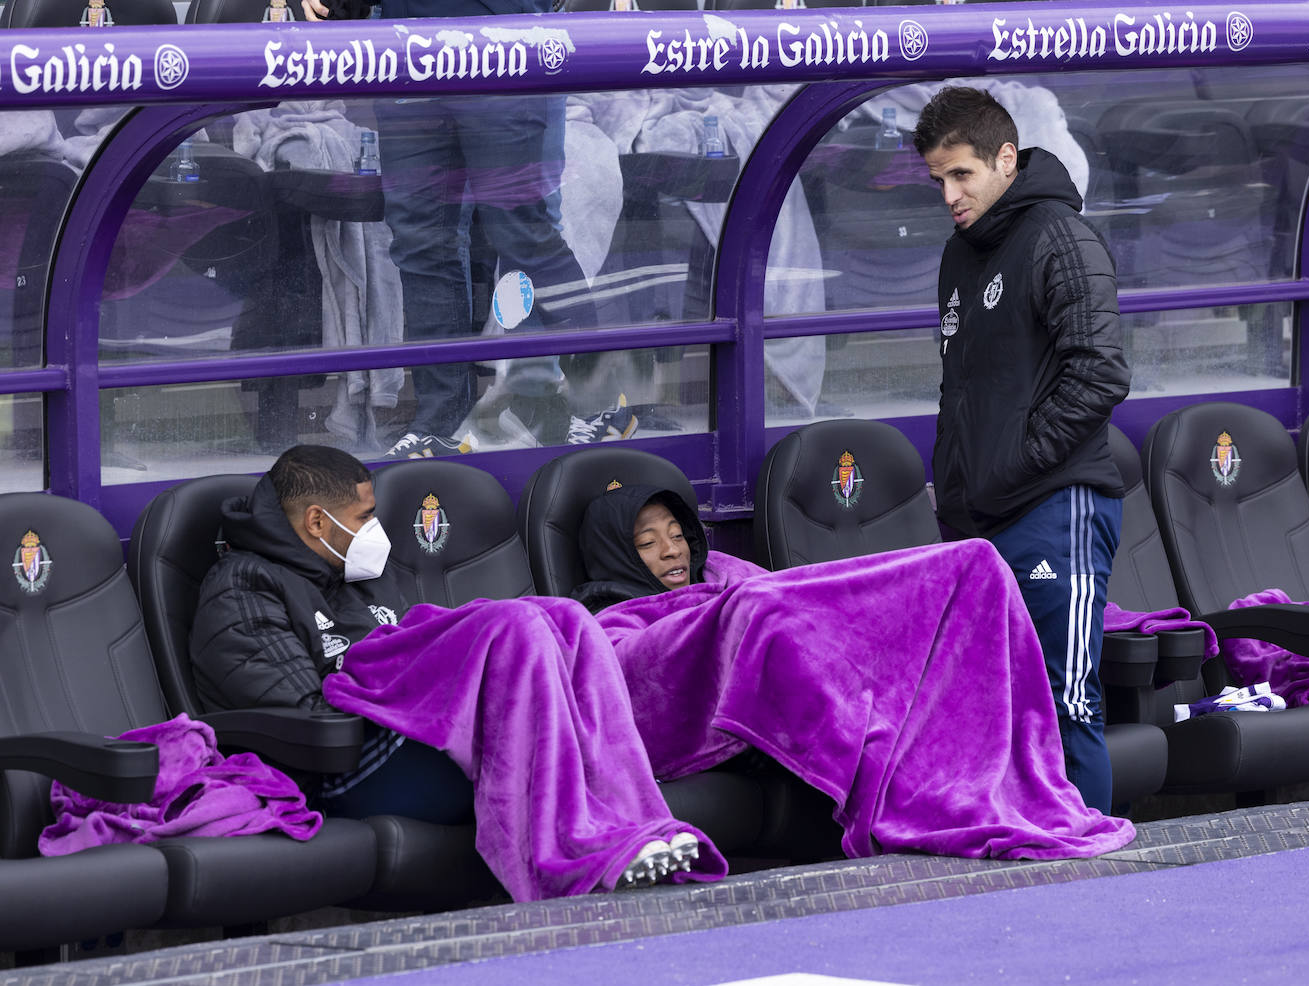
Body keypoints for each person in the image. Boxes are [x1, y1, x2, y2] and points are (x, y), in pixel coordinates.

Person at [189, 445, 720, 901]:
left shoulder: (359, 575)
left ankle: (632, 827)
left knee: (562, 618)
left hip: (403, 744)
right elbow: (302, 719)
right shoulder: (242, 586)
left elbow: (407, 653)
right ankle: (568, 857)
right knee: (513, 626)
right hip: (340, 769)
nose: (375, 531)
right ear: (316, 524)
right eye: (362, 517)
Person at [566, 483, 1136, 862]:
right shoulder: (607, 622)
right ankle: (897, 777)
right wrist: (737, 614)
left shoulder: (726, 575)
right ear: (618, 556)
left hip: (830, 678)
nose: (671, 552)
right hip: (766, 712)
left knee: (974, 563)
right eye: (647, 543)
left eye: (677, 535)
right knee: (762, 614)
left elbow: (805, 599)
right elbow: (642, 677)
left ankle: (950, 756)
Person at [913, 87, 1131, 814]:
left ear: (1006, 159)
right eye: (938, 180)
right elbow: (963, 391)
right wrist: (957, 488)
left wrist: (1013, 467)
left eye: (961, 175)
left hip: (1054, 506)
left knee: (1065, 705)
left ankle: (1090, 874)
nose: (948, 194)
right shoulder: (958, 256)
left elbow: (1100, 371)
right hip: (979, 524)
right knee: (995, 717)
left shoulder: (1060, 238)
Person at [300, 0, 636, 457]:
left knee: (524, 233)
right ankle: (441, 418)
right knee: (420, 241)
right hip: (408, 43)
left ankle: (597, 403)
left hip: (507, 38)